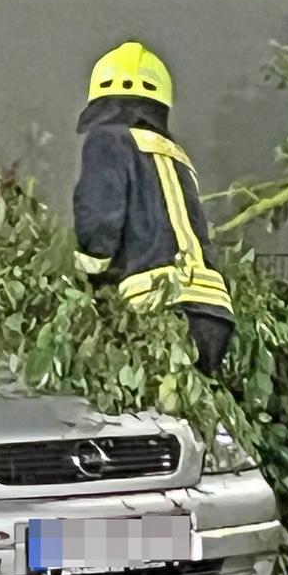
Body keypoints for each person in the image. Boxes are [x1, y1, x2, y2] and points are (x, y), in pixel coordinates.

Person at [71, 41, 235, 376]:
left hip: (156, 303)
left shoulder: (109, 138)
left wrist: (80, 272)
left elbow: (101, 217)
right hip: (213, 310)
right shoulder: (175, 154)